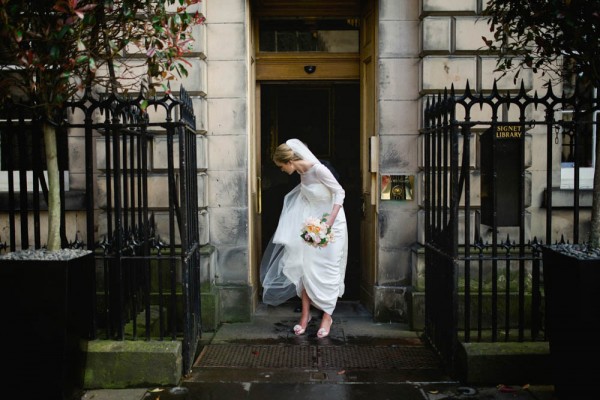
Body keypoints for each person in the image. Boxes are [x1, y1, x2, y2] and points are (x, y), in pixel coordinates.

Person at [260, 138, 348, 339]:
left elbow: (339, 192)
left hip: (332, 224)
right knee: (305, 267)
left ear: (290, 162)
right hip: (313, 224)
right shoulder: (301, 172)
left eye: (281, 166)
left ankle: (327, 316)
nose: (281, 170)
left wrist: (328, 223)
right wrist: (306, 224)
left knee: (330, 268)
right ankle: (305, 316)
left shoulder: (318, 170)